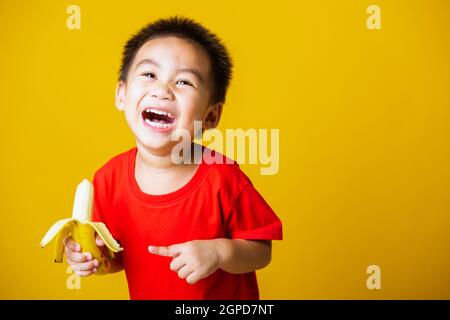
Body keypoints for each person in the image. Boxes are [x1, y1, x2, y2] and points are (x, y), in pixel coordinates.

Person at [63, 16, 283, 299]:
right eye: (149, 75)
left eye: (184, 82)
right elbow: (116, 258)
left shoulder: (224, 177)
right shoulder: (107, 180)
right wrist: (91, 259)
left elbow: (261, 251)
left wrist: (219, 252)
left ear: (211, 115)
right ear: (122, 93)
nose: (163, 90)